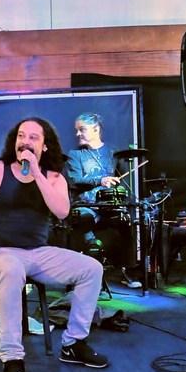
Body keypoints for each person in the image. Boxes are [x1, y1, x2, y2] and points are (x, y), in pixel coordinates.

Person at [0, 117, 108, 372]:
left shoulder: (54, 178)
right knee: (12, 268)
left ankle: (73, 343)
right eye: (21, 136)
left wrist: (38, 174)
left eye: (33, 137)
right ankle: (12, 358)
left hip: (38, 252)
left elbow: (62, 212)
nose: (25, 142)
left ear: (45, 146)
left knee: (91, 268)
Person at [64, 112, 140, 287]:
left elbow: (121, 182)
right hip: (86, 205)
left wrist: (119, 190)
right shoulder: (75, 155)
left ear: (96, 129)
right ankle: (87, 274)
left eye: (82, 130)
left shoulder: (112, 152)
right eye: (76, 130)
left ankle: (126, 271)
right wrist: (100, 181)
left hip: (107, 207)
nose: (78, 134)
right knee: (83, 220)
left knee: (126, 222)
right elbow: (74, 181)